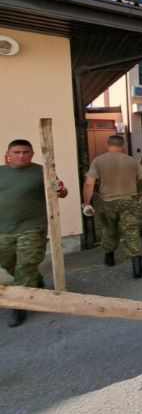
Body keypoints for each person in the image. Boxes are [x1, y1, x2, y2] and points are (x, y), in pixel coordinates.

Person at [0, 139, 68, 327]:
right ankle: (35, 280)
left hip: (32, 228)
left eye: (26, 152)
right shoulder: (1, 172)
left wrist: (60, 188)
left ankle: (19, 305)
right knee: (7, 262)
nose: (21, 156)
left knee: (26, 266)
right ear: (8, 154)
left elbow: (63, 192)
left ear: (32, 154)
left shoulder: (42, 172)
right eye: (17, 152)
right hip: (3, 229)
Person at [82, 134, 142, 279]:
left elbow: (89, 184)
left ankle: (109, 258)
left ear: (108, 144)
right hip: (129, 201)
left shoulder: (98, 160)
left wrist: (87, 204)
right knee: (131, 231)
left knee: (109, 229)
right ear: (123, 145)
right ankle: (137, 267)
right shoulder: (132, 161)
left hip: (107, 202)